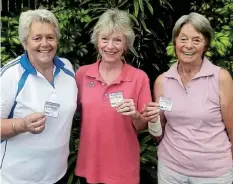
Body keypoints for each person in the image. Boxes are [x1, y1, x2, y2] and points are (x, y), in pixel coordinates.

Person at [74, 8, 159, 184]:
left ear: (126, 44)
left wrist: (135, 115)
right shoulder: (82, 74)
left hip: (123, 167)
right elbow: (72, 112)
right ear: (97, 41)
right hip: (91, 164)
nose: (110, 46)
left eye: (117, 40)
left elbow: (143, 125)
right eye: (104, 39)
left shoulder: (138, 77)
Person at [147, 12, 233, 184]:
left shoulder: (221, 78)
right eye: (183, 39)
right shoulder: (162, 81)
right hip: (171, 171)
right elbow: (158, 133)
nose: (188, 45)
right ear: (175, 42)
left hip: (213, 174)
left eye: (196, 40)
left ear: (206, 44)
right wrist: (152, 119)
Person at [0, 9, 77, 184]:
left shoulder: (67, 68)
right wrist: (22, 124)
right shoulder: (11, 76)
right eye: (37, 38)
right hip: (17, 178)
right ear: (25, 43)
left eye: (50, 37)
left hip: (57, 175)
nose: (45, 44)